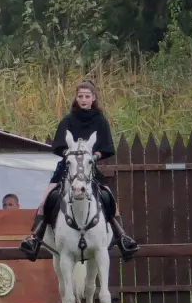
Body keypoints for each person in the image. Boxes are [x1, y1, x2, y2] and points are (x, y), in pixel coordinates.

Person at [19, 80, 138, 262]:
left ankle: (122, 237)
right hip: (67, 168)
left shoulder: (101, 121)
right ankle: (35, 238)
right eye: (80, 96)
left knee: (108, 198)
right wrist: (70, 154)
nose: (84, 100)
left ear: (94, 98)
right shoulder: (67, 120)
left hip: (89, 169)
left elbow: (107, 147)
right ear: (76, 98)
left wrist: (95, 156)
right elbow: (58, 145)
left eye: (87, 96)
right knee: (45, 199)